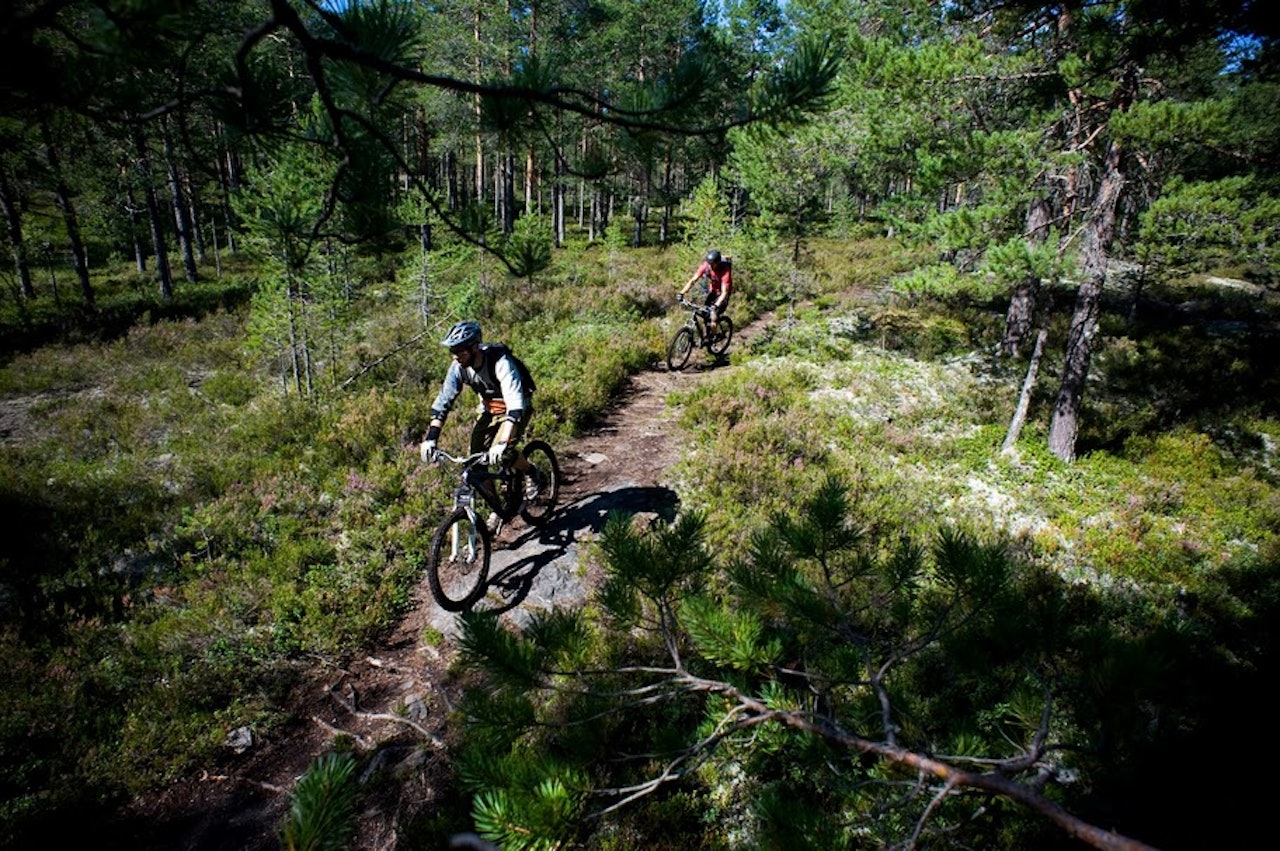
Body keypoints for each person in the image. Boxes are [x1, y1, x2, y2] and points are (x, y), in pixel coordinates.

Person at [419, 320, 544, 500]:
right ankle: (496, 507)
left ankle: (532, 472)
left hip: (515, 409)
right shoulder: (458, 368)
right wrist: (431, 438)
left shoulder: (501, 362)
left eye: (459, 351)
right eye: (452, 351)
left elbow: (515, 406)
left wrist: (502, 443)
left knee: (504, 453)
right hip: (489, 410)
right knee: (474, 463)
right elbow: (443, 404)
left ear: (474, 348)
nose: (455, 356)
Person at [679, 248, 733, 338]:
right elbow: (693, 280)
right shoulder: (706, 266)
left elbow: (724, 292)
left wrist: (716, 305)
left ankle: (713, 336)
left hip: (723, 295)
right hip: (713, 292)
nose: (710, 265)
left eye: (713, 264)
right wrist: (681, 293)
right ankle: (707, 333)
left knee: (713, 314)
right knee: (704, 313)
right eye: (709, 263)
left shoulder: (725, 271)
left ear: (718, 263)